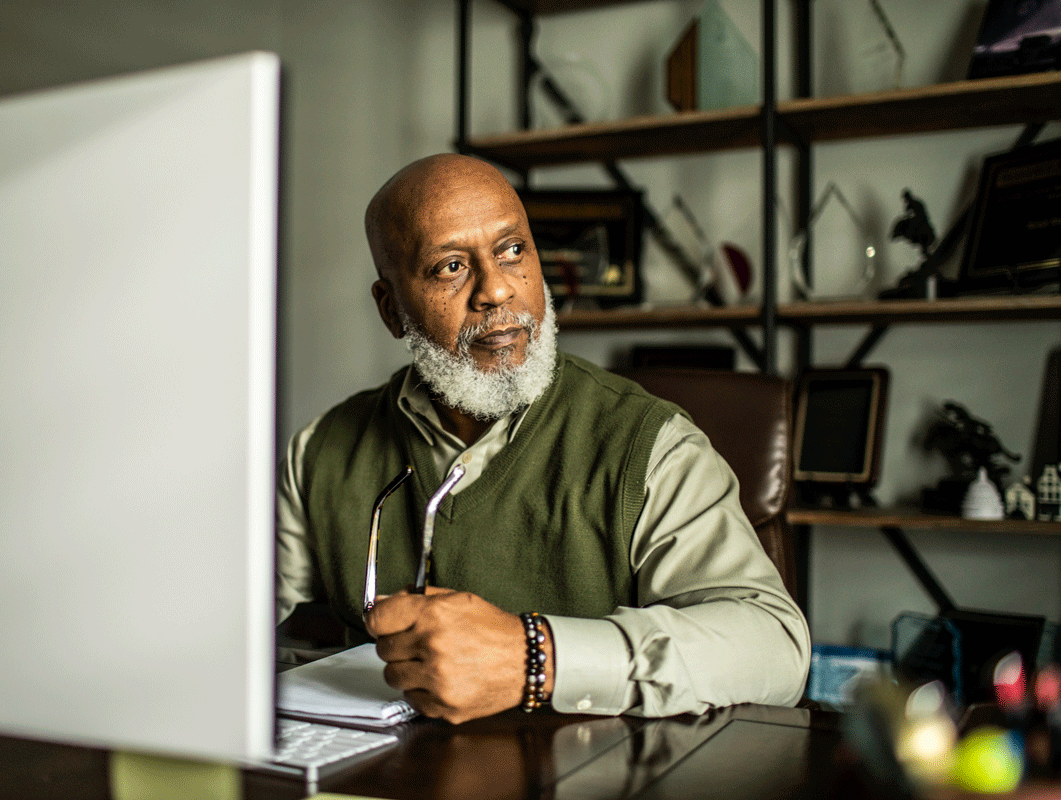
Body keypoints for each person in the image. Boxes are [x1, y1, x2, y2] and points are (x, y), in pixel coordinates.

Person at [276, 153, 810, 724]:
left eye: (512, 251)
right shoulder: (320, 453)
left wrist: (537, 658)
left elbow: (775, 649)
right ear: (391, 310)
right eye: (451, 267)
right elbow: (221, 619)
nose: (496, 290)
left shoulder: (652, 446)